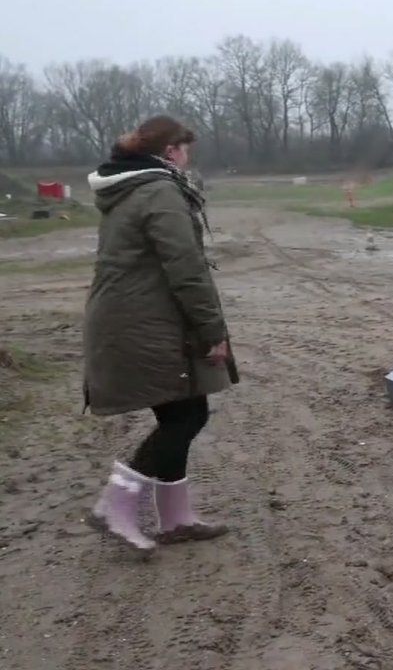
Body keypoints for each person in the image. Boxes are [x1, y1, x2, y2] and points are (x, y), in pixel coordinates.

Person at [82, 115, 237, 555]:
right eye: (186, 148)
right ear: (171, 151)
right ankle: (114, 504)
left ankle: (176, 518)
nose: (189, 156)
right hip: (144, 323)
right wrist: (213, 331)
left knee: (182, 415)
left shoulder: (134, 187)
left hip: (139, 317)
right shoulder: (158, 192)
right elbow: (185, 270)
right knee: (186, 416)